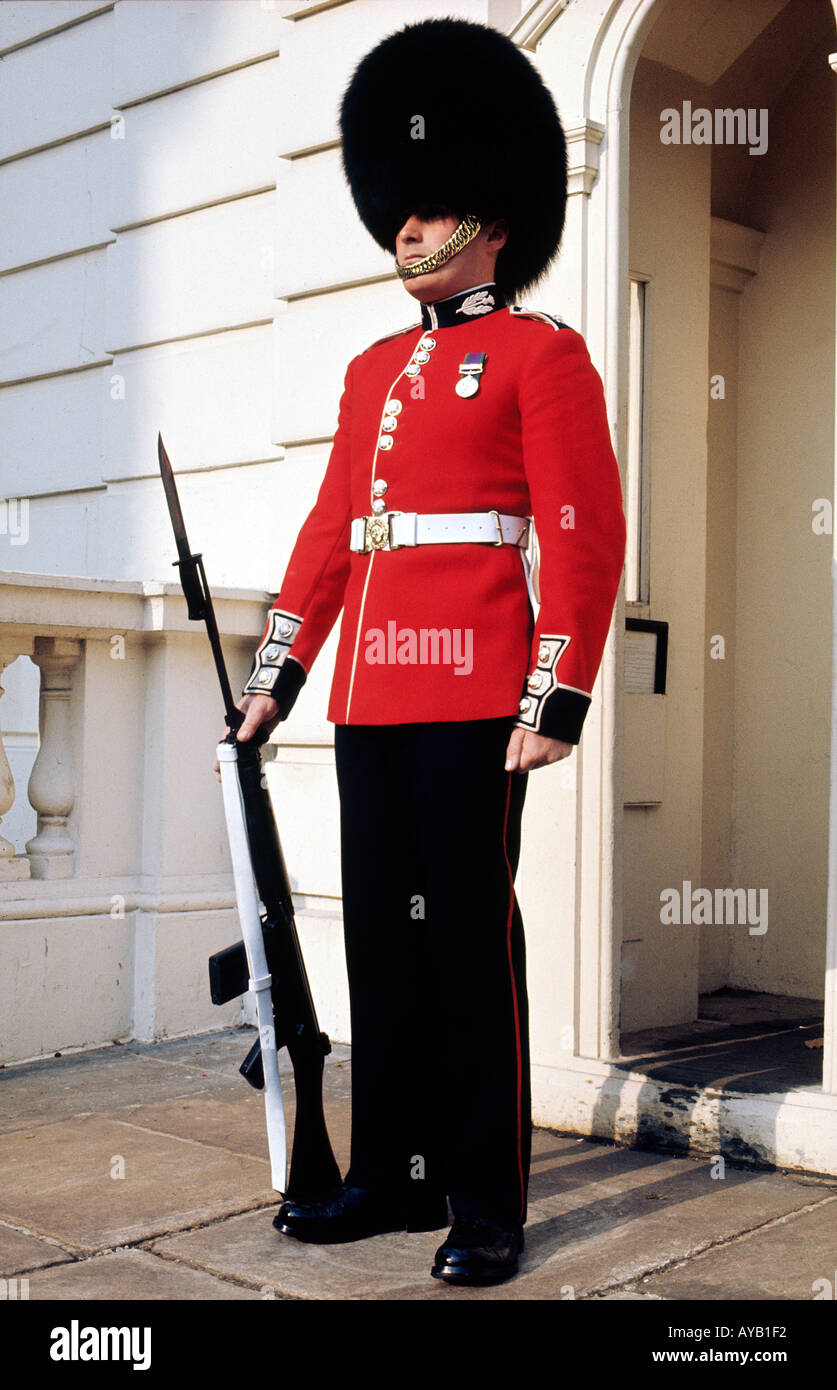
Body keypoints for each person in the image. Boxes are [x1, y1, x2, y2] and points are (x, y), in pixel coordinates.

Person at [218, 18, 626, 1287]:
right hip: (375, 693)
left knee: (464, 944)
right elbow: (334, 535)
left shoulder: (541, 355)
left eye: (429, 209)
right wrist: (281, 671)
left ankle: (486, 1200)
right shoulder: (370, 369)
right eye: (398, 211)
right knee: (382, 948)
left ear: (490, 222)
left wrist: (557, 688)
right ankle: (391, 1181)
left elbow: (580, 531)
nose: (404, 231)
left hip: (476, 696)